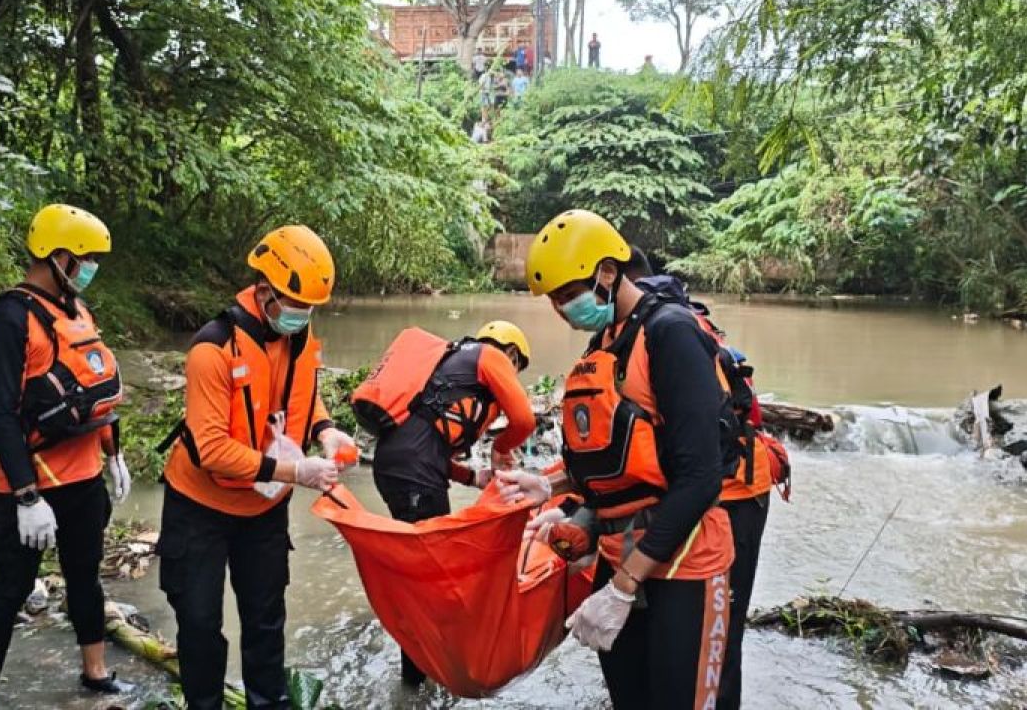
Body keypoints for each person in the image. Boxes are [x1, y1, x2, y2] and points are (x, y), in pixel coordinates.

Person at [498, 209, 735, 710]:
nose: (563, 310)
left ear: (607, 272)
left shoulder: (671, 333)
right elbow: (616, 456)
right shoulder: (603, 344)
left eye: (568, 294)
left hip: (683, 564)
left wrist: (625, 586)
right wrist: (554, 486)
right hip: (619, 556)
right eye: (555, 301)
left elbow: (700, 477)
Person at [157, 225, 356, 710]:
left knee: (266, 619)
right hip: (199, 507)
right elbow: (210, 450)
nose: (301, 315)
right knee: (200, 622)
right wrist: (296, 473)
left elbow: (302, 400)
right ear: (263, 290)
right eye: (293, 303)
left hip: (263, 512)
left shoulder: (301, 340)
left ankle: (269, 703)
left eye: (309, 307)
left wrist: (326, 430)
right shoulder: (212, 349)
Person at [0, 204, 132, 709]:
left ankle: (95, 671)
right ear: (57, 255)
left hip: (83, 480)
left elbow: (97, 385)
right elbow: (0, 415)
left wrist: (114, 454)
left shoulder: (78, 310)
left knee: (86, 575)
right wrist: (24, 496)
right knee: (7, 592)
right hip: (32, 484)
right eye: (84, 259)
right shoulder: (9, 318)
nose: (90, 269)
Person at [622, 247, 789, 710]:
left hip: (734, 492)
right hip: (687, 491)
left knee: (720, 637)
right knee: (678, 639)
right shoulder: (626, 331)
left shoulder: (666, 329)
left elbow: (701, 465)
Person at [365, 321, 536, 686]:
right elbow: (524, 420)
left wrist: (473, 478)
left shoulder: (449, 368)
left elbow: (424, 441)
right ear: (510, 354)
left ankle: (420, 673)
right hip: (414, 475)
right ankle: (421, 679)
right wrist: (501, 448)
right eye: (516, 368)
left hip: (395, 467)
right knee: (430, 585)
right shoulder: (491, 357)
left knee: (420, 575)